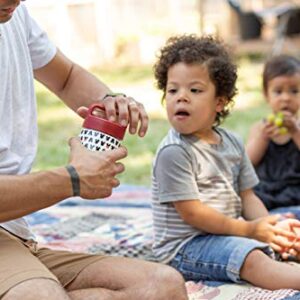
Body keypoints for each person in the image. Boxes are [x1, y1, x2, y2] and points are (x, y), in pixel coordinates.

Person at [0, 1, 188, 299]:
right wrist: (72, 179)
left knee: (161, 287)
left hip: (13, 233)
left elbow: (66, 77)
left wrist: (109, 100)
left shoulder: (15, 15)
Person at [151, 34, 300, 290]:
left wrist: (270, 228)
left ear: (219, 101)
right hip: (186, 247)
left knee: (289, 239)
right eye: (172, 89)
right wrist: (250, 231)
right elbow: (193, 213)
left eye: (194, 90)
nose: (181, 97)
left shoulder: (231, 142)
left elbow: (248, 196)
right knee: (252, 258)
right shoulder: (173, 152)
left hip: (227, 234)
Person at [246, 55, 300, 218]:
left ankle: (287, 217)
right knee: (247, 200)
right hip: (267, 190)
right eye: (278, 91)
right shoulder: (260, 128)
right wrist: (262, 138)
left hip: (296, 189)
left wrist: (295, 132)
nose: (286, 98)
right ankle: (279, 218)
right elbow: (247, 162)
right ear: (266, 95)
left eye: (294, 91)